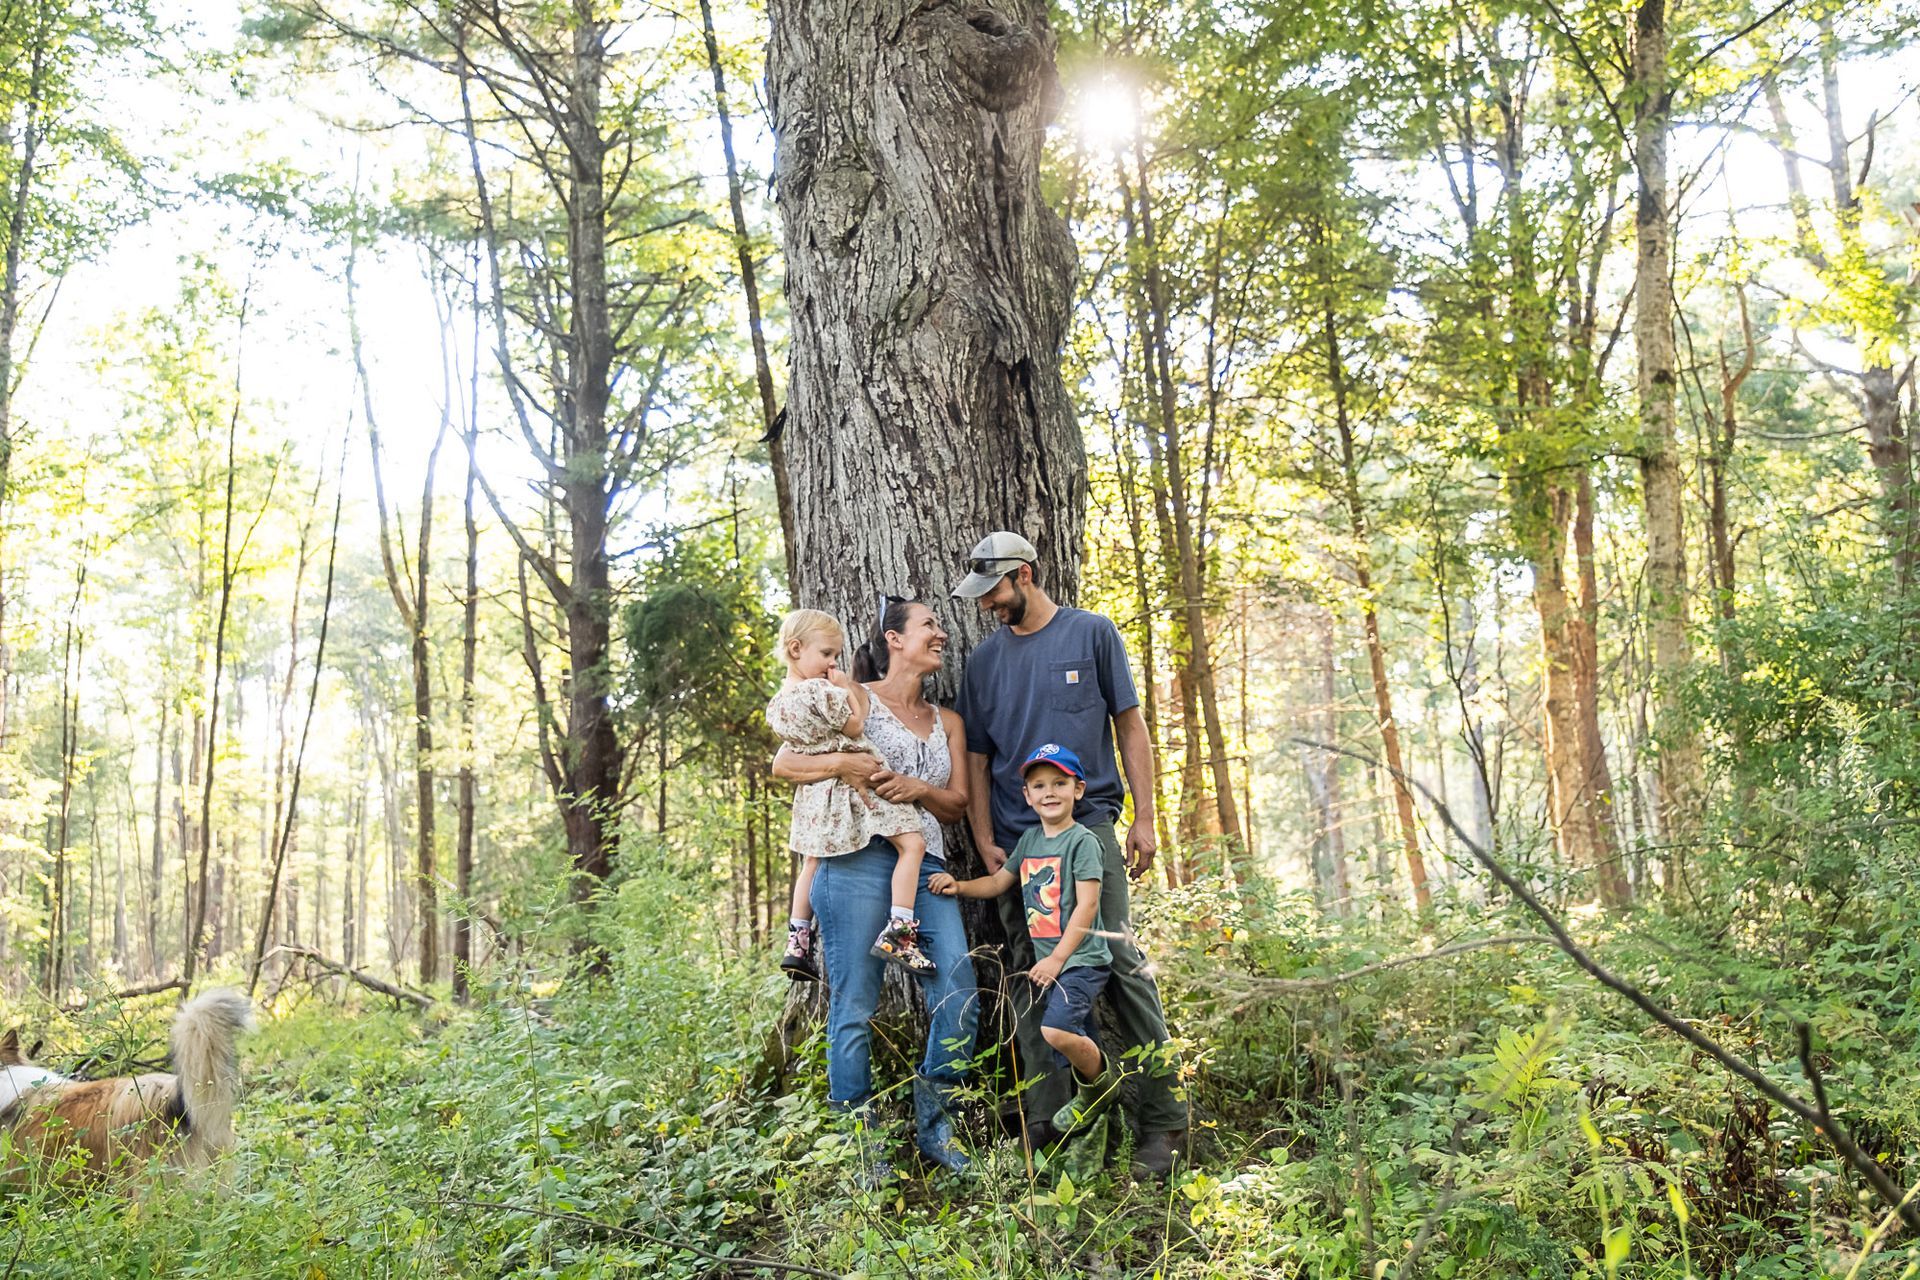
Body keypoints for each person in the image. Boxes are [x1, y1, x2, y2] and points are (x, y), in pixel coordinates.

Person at [951, 531, 1190, 1176]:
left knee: (1116, 956)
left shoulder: (1092, 634)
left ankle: (1163, 1122)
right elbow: (975, 758)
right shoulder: (983, 664)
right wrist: (982, 838)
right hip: (1019, 846)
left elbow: (1130, 724)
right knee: (1030, 972)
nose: (986, 606)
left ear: (1025, 575)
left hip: (1091, 831)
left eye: (994, 592)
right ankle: (1049, 1129)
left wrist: (1144, 817)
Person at [771, 598, 979, 1172]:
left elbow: (957, 805)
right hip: (854, 860)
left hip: (926, 865)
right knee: (854, 1006)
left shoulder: (949, 722)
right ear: (893, 638)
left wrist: (917, 787)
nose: (941, 633)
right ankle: (860, 1146)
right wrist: (844, 766)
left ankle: (938, 1127)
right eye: (929, 624)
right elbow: (783, 765)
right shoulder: (848, 694)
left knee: (960, 992)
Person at [930, 743, 1119, 1141]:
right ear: (1027, 796)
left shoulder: (1082, 842)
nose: (1049, 792)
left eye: (1059, 783)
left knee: (1056, 1032)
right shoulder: (1030, 842)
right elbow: (1000, 882)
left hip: (1080, 961)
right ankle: (1094, 1126)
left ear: (1078, 790)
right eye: (1039, 785)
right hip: (1052, 965)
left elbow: (1086, 907)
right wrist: (959, 885)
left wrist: (1057, 960)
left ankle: (1101, 1090)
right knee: (1073, 1039)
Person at [768, 608, 936, 978]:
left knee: (811, 860)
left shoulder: (779, 703)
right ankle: (901, 931)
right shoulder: (822, 692)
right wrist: (846, 687)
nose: (832, 663)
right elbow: (856, 724)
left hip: (816, 797)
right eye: (826, 654)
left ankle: (798, 939)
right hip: (858, 788)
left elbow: (789, 753)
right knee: (912, 843)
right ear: (796, 649)